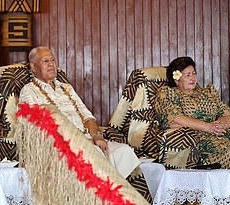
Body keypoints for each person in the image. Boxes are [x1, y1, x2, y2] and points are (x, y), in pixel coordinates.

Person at [153, 56, 230, 200]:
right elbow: (174, 118)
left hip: (218, 132)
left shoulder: (207, 93)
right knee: (225, 152)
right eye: (187, 75)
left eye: (194, 73)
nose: (192, 77)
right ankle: (220, 201)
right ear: (176, 79)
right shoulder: (168, 93)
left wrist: (221, 124)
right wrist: (207, 127)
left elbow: (228, 114)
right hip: (195, 136)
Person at [19, 46, 140, 179]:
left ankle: (133, 197)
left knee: (124, 151)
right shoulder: (28, 91)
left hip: (87, 139)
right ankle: (106, 197)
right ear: (33, 67)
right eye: (45, 61)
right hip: (60, 146)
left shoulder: (66, 88)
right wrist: (77, 141)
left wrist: (97, 136)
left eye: (52, 60)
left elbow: (88, 117)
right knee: (96, 153)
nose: (51, 64)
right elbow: (38, 127)